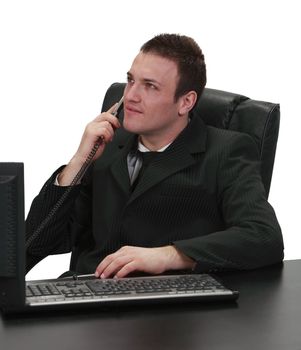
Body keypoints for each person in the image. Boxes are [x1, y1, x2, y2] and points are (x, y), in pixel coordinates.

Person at [26, 33, 284, 278]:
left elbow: (263, 236)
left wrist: (170, 255)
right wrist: (79, 162)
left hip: (169, 309)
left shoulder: (227, 150)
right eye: (130, 81)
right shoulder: (107, 144)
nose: (130, 96)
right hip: (89, 296)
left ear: (186, 102)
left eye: (149, 86)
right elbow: (34, 243)